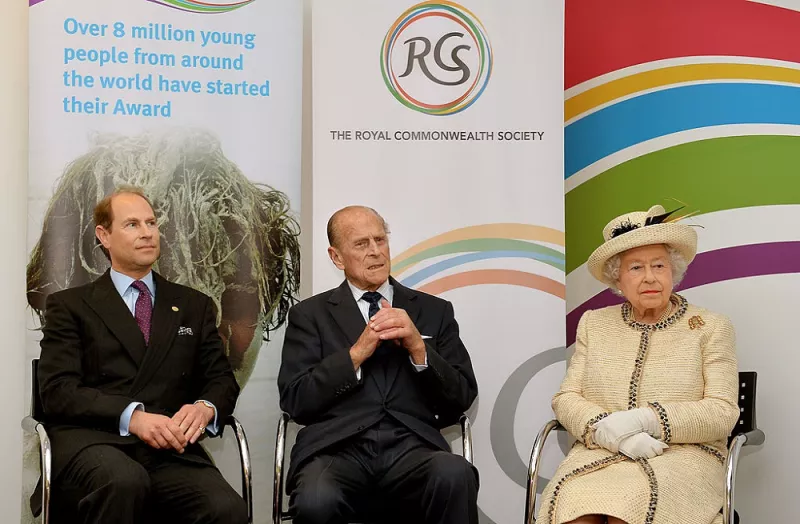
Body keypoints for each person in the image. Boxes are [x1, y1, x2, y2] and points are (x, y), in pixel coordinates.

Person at [35, 186, 247, 524]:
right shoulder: (71, 306)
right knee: (124, 482)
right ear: (104, 235)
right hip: (96, 442)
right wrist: (132, 416)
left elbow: (220, 378)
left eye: (151, 223)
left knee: (227, 509)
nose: (147, 233)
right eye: (132, 224)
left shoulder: (193, 304)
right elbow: (57, 391)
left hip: (169, 450)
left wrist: (205, 407)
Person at [538, 205, 740, 524]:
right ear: (617, 277)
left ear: (672, 271)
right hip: (601, 451)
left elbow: (722, 412)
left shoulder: (711, 327)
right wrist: (609, 431)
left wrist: (646, 419)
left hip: (683, 456)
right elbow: (567, 398)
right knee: (573, 506)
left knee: (629, 507)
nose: (649, 277)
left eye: (658, 265)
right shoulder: (594, 323)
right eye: (636, 268)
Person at [278, 206, 479, 524]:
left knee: (455, 473)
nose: (375, 251)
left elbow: (462, 395)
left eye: (380, 240)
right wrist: (355, 354)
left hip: (412, 448)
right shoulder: (309, 315)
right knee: (316, 498)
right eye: (361, 244)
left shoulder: (432, 310)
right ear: (337, 257)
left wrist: (417, 346)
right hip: (337, 449)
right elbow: (295, 399)